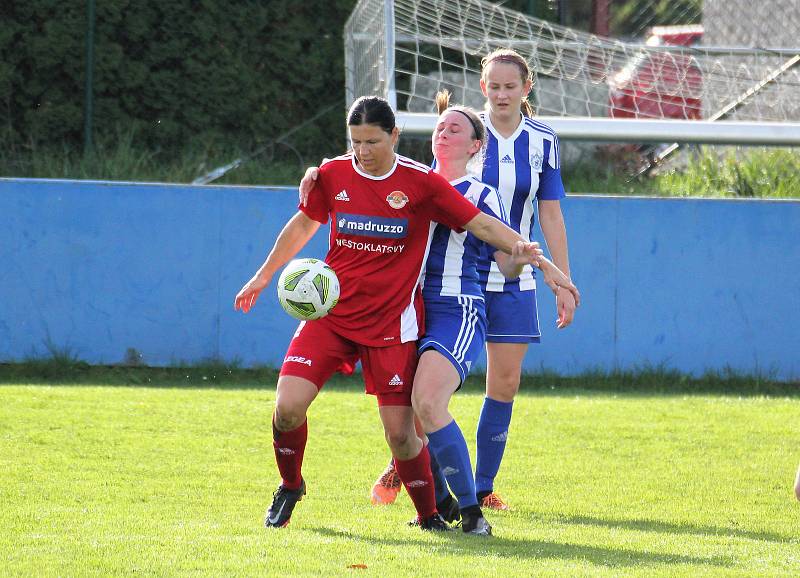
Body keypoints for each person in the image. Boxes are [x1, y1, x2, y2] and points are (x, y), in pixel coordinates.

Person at [235, 95, 547, 531]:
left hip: (391, 323)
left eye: (372, 142)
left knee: (402, 435)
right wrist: (263, 275)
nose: (363, 152)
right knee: (287, 408)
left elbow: (480, 224)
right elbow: (304, 223)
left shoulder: (421, 183)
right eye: (356, 142)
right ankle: (290, 485)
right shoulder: (332, 173)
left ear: (394, 136)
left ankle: (429, 515)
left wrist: (538, 259)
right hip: (332, 315)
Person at [301, 49, 578, 512]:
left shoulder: (533, 148)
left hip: (488, 281)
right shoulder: (416, 177)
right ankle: (418, 470)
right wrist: (317, 171)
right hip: (419, 298)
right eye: (494, 85)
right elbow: (362, 166)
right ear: (484, 86)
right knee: (418, 400)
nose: (502, 92)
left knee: (492, 387)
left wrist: (549, 270)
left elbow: (541, 216)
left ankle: (477, 492)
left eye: (511, 85)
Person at [410, 91, 579, 535]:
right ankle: (436, 503)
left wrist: (527, 259)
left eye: (456, 128)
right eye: (439, 126)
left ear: (475, 147)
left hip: (455, 306)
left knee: (429, 402)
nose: (444, 132)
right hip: (406, 311)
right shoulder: (408, 182)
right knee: (406, 416)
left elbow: (504, 263)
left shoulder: (480, 193)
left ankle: (472, 508)